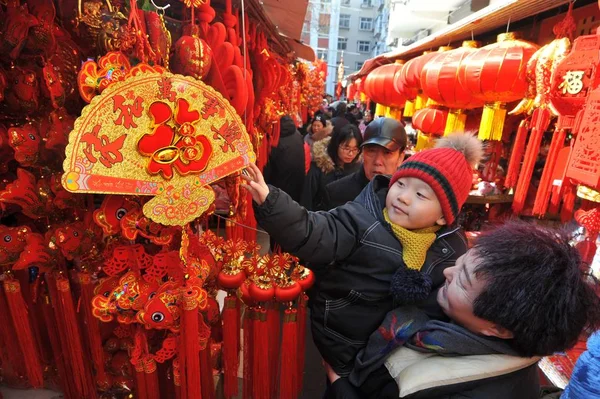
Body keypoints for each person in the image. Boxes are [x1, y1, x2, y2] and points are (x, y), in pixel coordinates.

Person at [242, 134, 482, 380]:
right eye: (400, 184)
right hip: (343, 341)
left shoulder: (451, 250)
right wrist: (271, 201)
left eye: (421, 195)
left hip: (397, 356)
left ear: (443, 216)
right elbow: (316, 230)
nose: (403, 197)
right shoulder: (360, 219)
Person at [324, 222, 600, 399]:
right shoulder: (453, 317)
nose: (447, 271)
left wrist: (339, 385)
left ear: (499, 328)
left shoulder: (490, 389)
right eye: (461, 261)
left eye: (463, 280)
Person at [325, 117, 407, 209]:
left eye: (387, 153)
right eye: (371, 151)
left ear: (400, 157)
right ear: (363, 152)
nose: (377, 161)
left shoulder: (407, 199)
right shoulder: (336, 193)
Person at [300, 124, 363, 211]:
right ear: (336, 145)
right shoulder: (319, 166)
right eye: (346, 148)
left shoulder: (358, 168)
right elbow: (306, 201)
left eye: (355, 149)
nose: (351, 154)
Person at [263, 115, 305, 203]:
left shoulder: (275, 142)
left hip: (280, 190)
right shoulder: (296, 133)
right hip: (298, 184)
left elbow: (267, 172)